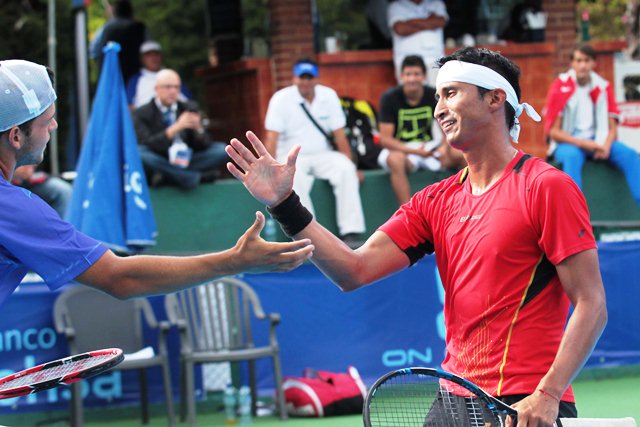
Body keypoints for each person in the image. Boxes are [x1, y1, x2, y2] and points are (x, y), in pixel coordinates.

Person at [226, 47, 607, 426]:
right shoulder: (434, 201)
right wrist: (284, 203)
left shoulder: (546, 187)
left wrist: (549, 393)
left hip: (525, 404)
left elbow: (591, 303)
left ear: (495, 98)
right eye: (437, 96)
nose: (439, 108)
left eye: (451, 93)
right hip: (452, 400)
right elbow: (352, 270)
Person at [0, 59, 314, 309]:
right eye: (47, 119)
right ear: (16, 136)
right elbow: (119, 278)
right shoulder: (13, 207)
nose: (54, 125)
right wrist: (233, 261)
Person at [263, 58, 366, 245]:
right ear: (294, 79)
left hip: (323, 154)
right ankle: (308, 233)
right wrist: (270, 169)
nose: (305, 82)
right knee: (295, 177)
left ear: (317, 79)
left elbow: (339, 135)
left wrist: (352, 165)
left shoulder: (329, 96)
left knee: (344, 169)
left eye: (310, 77)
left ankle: (351, 231)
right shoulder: (280, 99)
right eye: (302, 77)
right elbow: (272, 138)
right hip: (291, 156)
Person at [544, 43, 640, 206]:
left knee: (630, 155)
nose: (582, 65)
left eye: (587, 60)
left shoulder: (603, 86)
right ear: (572, 63)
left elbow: (612, 127)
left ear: (593, 63)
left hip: (598, 142)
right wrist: (584, 143)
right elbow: (553, 132)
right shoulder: (561, 86)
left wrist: (606, 146)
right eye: (578, 61)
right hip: (570, 143)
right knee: (572, 157)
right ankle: (575, 212)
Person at [378, 55, 464, 204]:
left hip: (430, 148)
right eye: (408, 74)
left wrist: (444, 147)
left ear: (424, 76)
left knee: (461, 153)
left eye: (416, 74)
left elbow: (450, 124)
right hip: (404, 151)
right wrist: (416, 152)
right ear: (401, 76)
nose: (412, 79)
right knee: (394, 159)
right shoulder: (389, 98)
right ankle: (407, 214)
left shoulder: (434, 94)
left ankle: (469, 202)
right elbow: (385, 140)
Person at [133, 69, 227, 189]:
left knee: (222, 150)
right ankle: (191, 178)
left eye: (176, 87)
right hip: (161, 158)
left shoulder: (188, 108)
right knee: (140, 153)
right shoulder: (142, 113)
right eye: (168, 87)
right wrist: (176, 128)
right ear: (156, 89)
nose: (172, 91)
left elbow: (204, 144)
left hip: (185, 159)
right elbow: (147, 143)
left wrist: (198, 130)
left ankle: (169, 177)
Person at [387, 0, 448, 86]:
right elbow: (401, 29)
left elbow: (440, 22)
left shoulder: (436, 3)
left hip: (435, 61)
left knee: (438, 96)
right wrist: (429, 21)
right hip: (408, 62)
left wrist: (410, 22)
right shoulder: (396, 6)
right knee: (412, 97)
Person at [92, 0, 147, 84]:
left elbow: (94, 51)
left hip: (111, 76)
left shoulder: (106, 28)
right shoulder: (140, 28)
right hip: (136, 76)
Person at [126, 40, 192, 110]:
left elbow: (187, 101)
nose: (153, 58)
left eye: (156, 54)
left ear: (161, 56)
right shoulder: (135, 80)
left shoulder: (172, 76)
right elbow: (129, 105)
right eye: (148, 55)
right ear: (142, 58)